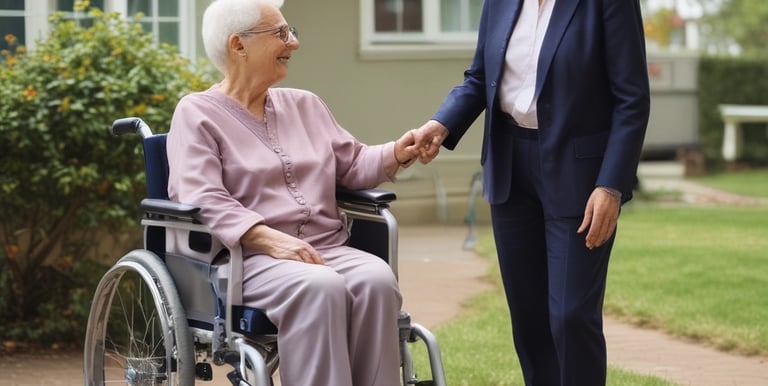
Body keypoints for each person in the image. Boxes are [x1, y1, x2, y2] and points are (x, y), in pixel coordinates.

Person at [166, 0, 419, 385]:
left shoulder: (306, 104)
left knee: (376, 279)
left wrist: (398, 152)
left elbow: (352, 165)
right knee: (319, 286)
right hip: (247, 260)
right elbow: (203, 196)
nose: (294, 43)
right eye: (281, 33)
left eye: (291, 31)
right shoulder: (196, 113)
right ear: (239, 45)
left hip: (324, 248)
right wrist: (270, 240)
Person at [412, 0, 651, 385]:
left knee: (571, 315)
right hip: (510, 166)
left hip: (580, 175)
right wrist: (440, 124)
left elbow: (632, 99)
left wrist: (612, 184)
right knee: (529, 318)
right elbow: (480, 78)